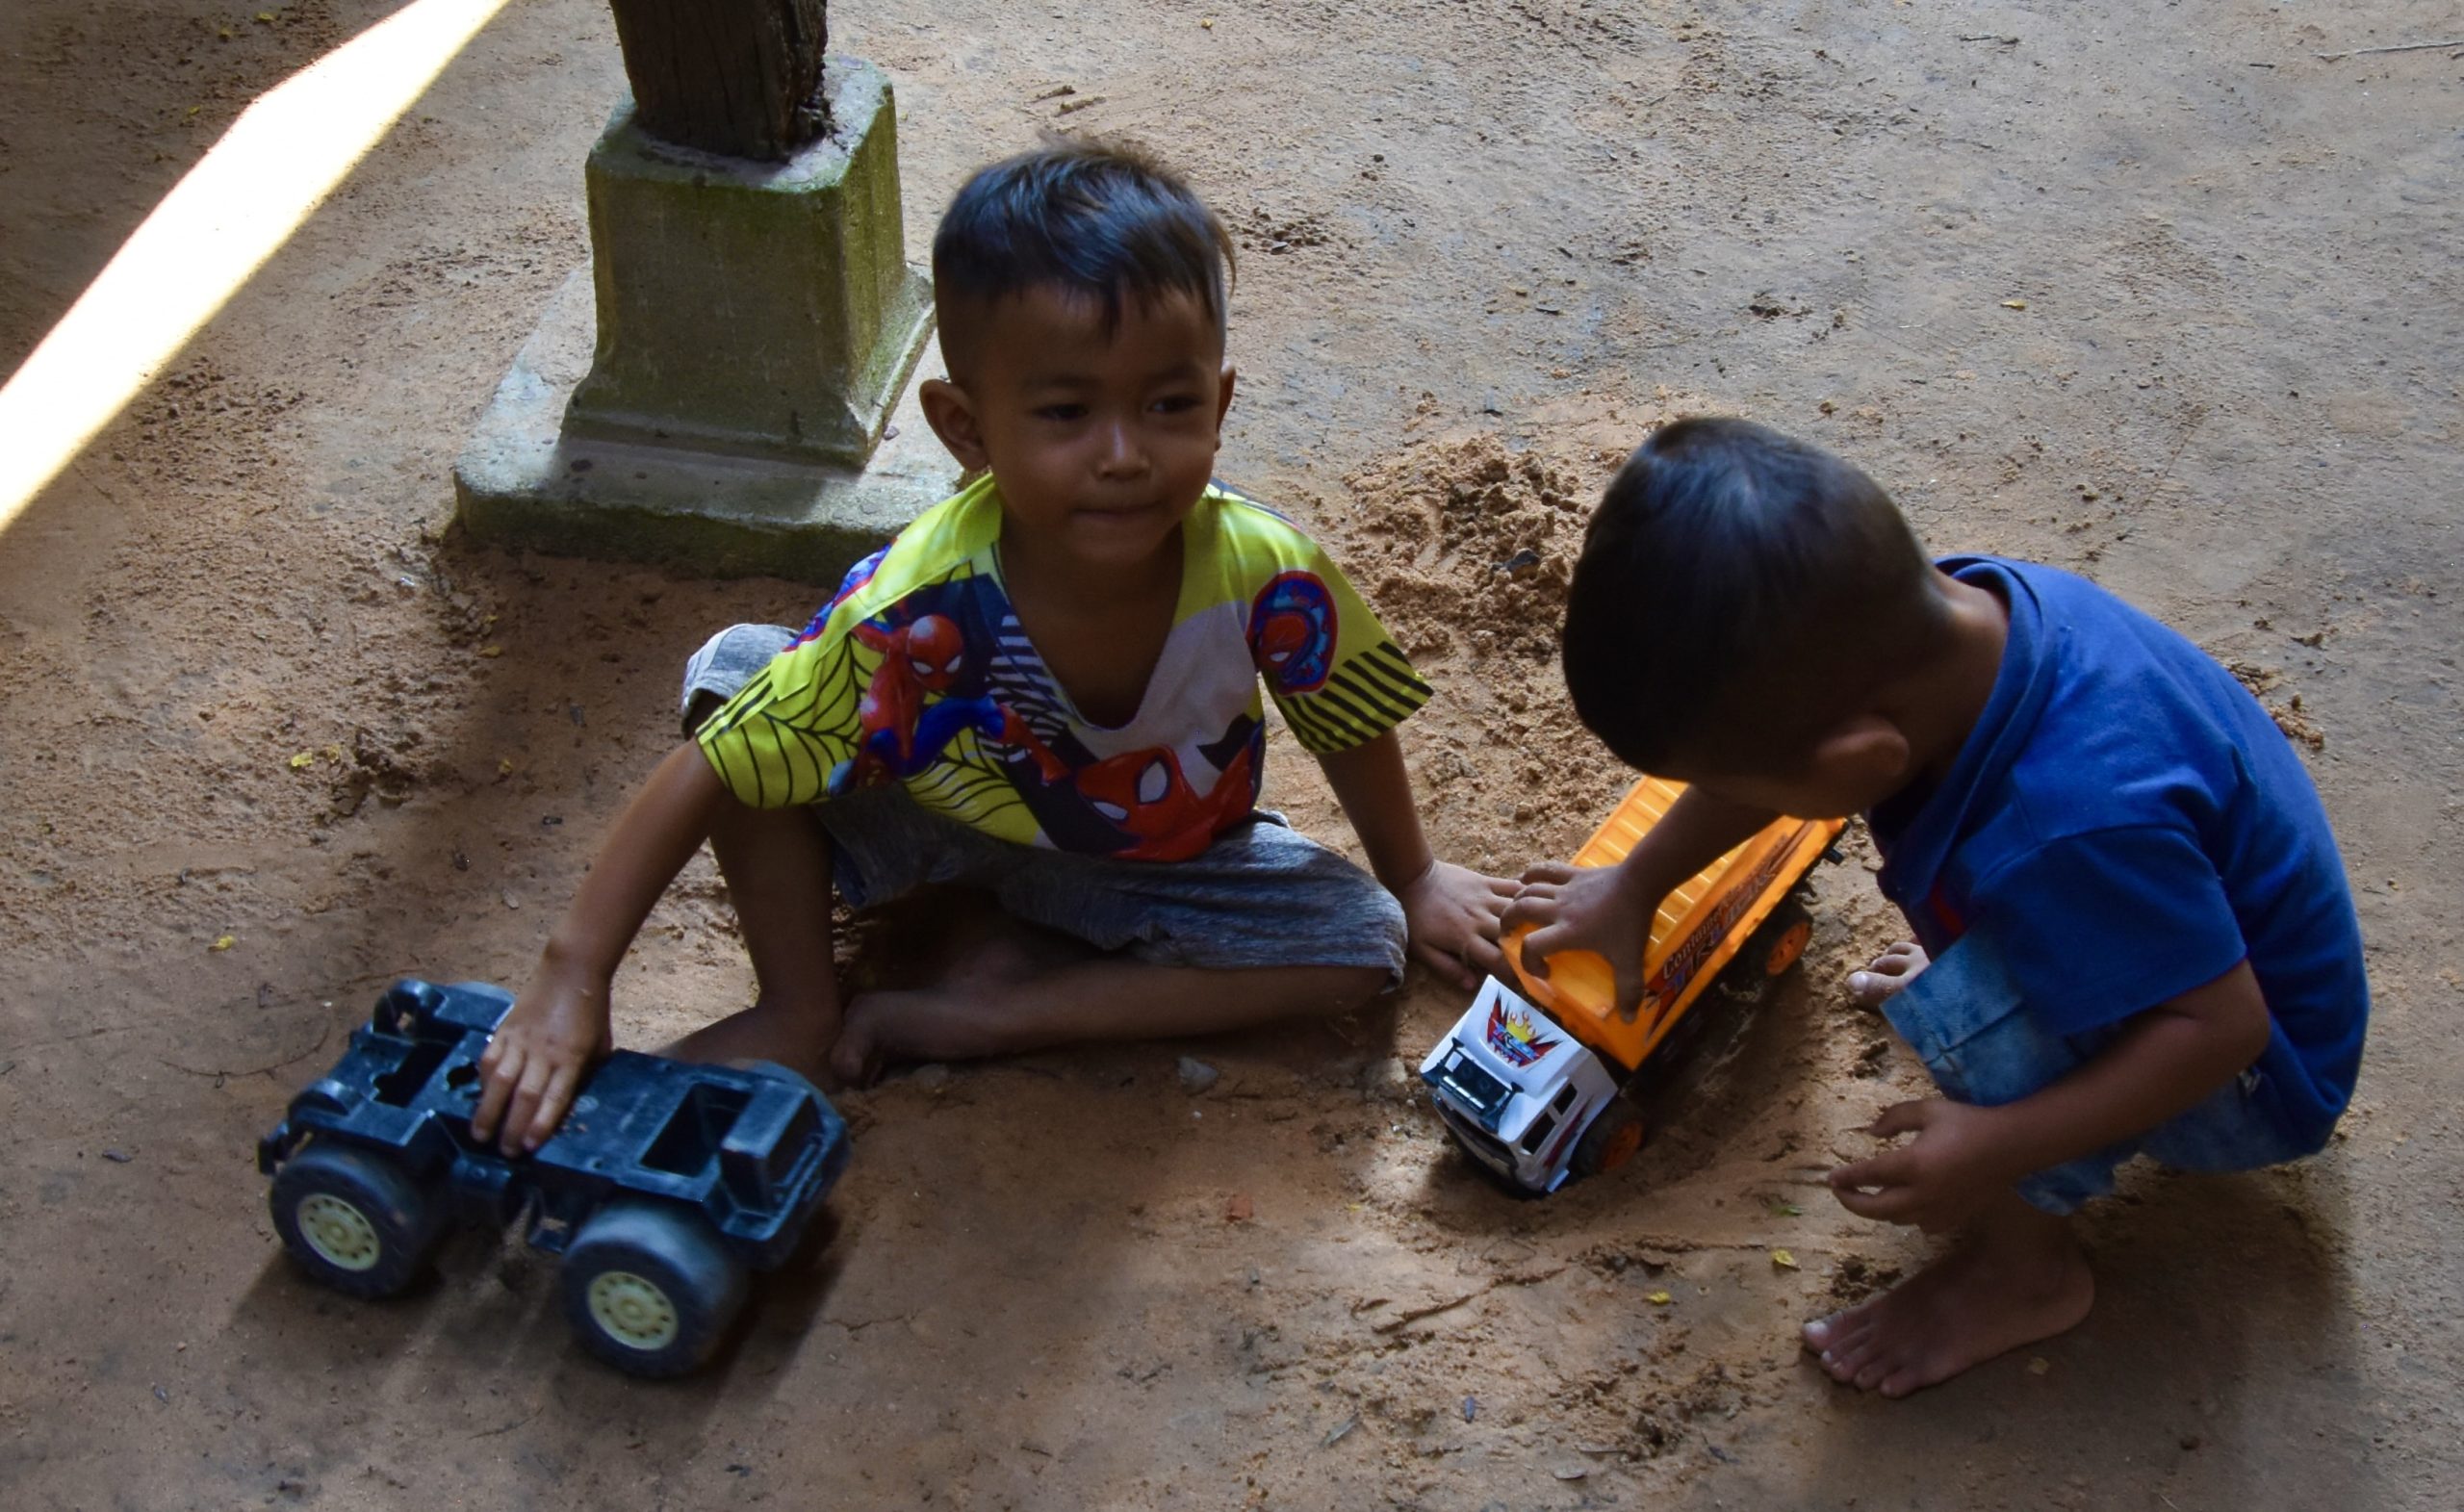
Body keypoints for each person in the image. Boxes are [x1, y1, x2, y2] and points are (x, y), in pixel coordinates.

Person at [471, 141, 1510, 1154]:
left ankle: (992, 1010)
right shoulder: (928, 599)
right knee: (739, 677)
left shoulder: (1266, 569)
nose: (1122, 455)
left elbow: (1348, 717)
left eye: (1169, 405)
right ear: (966, 429)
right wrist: (574, 972)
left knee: (1358, 941)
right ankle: (797, 1008)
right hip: (925, 815)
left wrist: (1413, 878)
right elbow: (720, 759)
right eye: (1066, 412)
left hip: (1149, 858)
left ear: (1222, 403)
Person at [1505, 417, 2368, 1397]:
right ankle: (2053, 990)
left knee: (1979, 1016)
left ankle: (2022, 1271)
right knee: (2020, 914)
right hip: (2169, 928)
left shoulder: (2066, 826)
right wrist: (1633, 882)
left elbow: (2221, 1027)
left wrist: (1997, 1143)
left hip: (2254, 1077)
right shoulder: (1948, 621)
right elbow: (1782, 765)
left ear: (1858, 760)